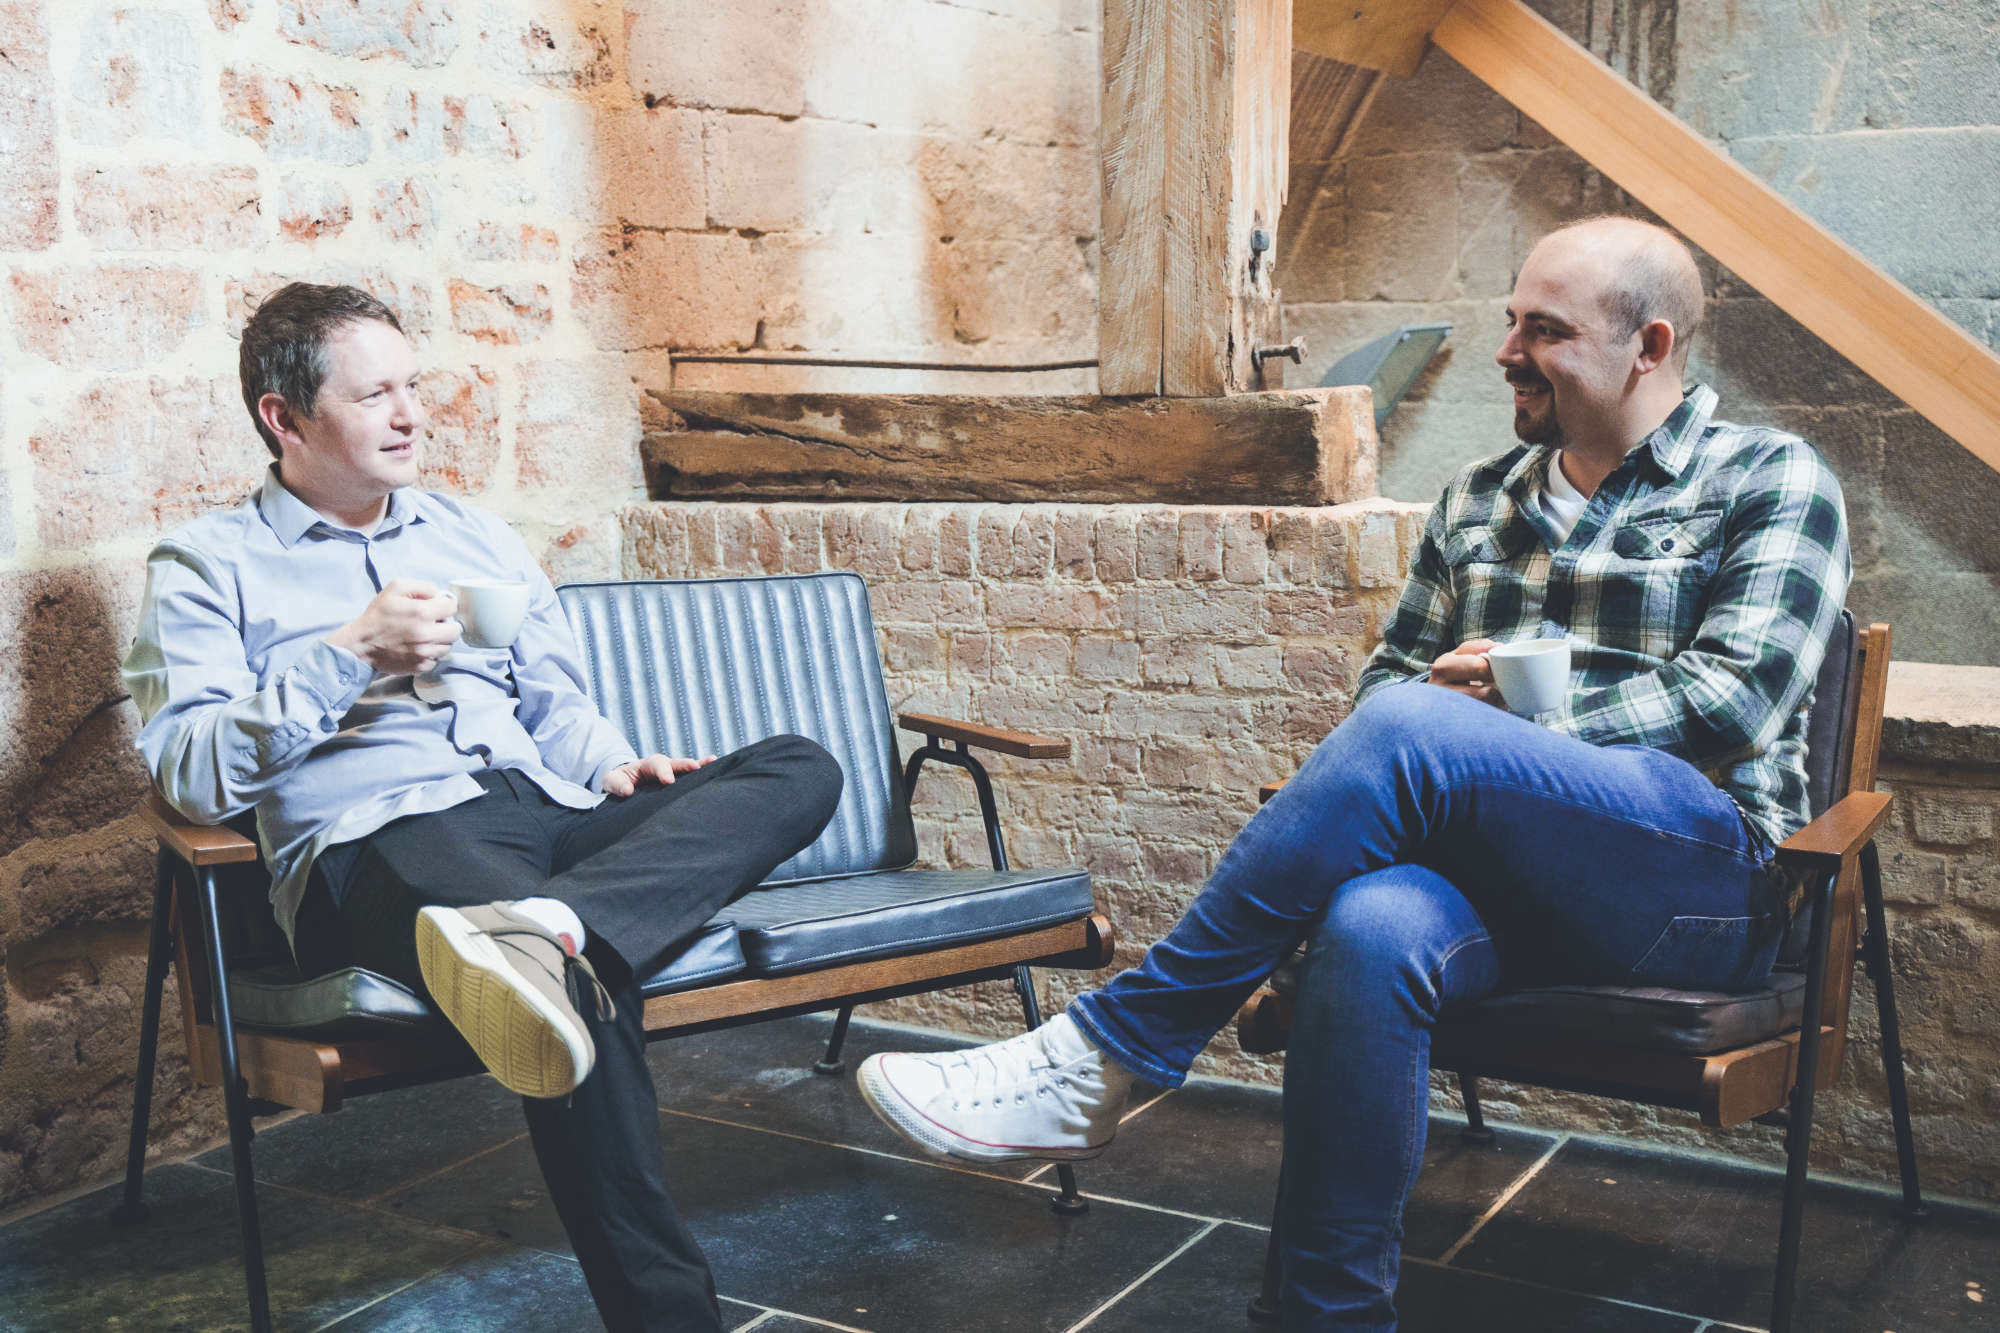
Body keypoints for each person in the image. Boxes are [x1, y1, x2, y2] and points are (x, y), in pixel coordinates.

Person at [855, 217, 1850, 1330]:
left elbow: (1734, 702)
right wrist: (1432, 730)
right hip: (1505, 883)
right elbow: (1387, 686)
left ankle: (1113, 1049)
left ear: (1648, 346)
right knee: (1372, 924)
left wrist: (1524, 721)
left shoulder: (1768, 476)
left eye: (1544, 329)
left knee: (1416, 729)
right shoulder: (1478, 497)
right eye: (1509, 321)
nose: (1506, 351)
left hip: (1694, 888)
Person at [122, 282, 845, 1333]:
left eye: (412, 386)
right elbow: (187, 770)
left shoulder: (471, 532)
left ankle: (558, 923)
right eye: (375, 395)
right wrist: (344, 655)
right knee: (574, 985)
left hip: (542, 818)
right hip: (377, 841)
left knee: (796, 766)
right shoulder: (206, 565)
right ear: (285, 418)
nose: (412, 413)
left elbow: (559, 707)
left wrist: (615, 770)